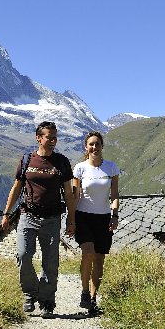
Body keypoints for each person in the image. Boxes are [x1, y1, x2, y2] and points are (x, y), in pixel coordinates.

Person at [1, 121, 76, 318]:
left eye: (55, 138)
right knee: (23, 255)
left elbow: (68, 193)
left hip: (52, 218)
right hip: (28, 216)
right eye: (48, 137)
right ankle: (29, 293)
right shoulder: (27, 160)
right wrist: (6, 213)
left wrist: (71, 219)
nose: (52, 141)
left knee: (50, 262)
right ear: (38, 138)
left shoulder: (61, 162)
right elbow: (16, 188)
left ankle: (47, 301)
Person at [72, 131, 120, 315]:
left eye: (97, 144)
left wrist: (114, 215)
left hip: (103, 218)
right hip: (83, 216)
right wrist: (71, 219)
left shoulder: (112, 168)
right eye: (91, 144)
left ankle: (92, 298)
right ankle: (84, 292)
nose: (94, 147)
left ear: (102, 146)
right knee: (88, 253)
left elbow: (114, 194)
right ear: (86, 147)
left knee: (100, 259)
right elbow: (75, 195)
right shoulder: (80, 168)